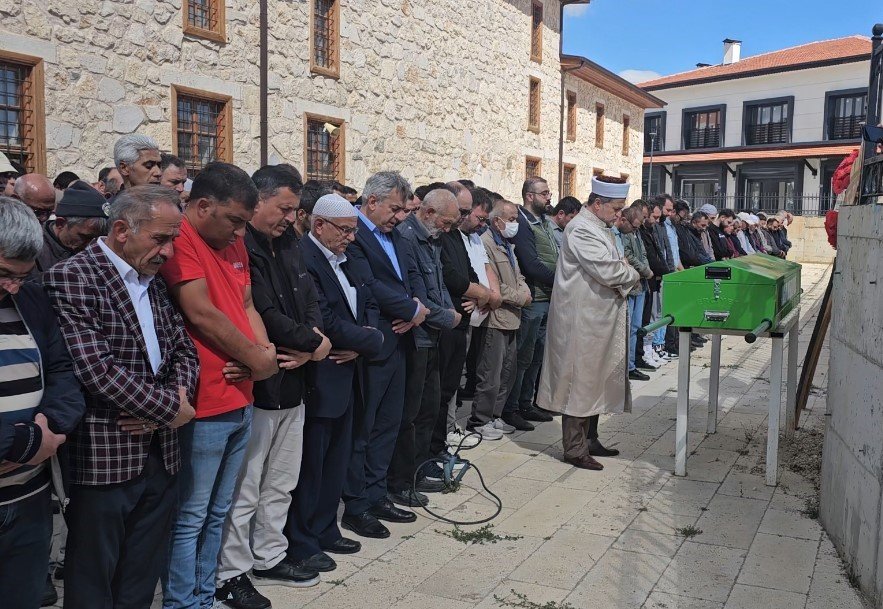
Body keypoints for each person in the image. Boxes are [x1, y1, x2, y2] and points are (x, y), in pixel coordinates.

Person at [44, 186, 198, 609]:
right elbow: (97, 369)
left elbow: (184, 350)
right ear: (120, 230)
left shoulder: (152, 277)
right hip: (105, 452)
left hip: (160, 451)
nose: (169, 251)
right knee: (95, 572)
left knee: (142, 571)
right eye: (160, 238)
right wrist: (170, 409)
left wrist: (170, 409)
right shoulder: (72, 277)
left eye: (174, 239)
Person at [160, 162, 278, 609]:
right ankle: (181, 601)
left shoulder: (233, 241)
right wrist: (257, 361)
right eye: (233, 221)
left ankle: (204, 594)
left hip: (240, 397)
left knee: (218, 511)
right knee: (190, 515)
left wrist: (263, 356)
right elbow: (200, 312)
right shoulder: (182, 240)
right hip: (204, 402)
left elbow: (247, 303)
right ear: (202, 205)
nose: (239, 233)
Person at [214, 165, 331, 608]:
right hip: (261, 385)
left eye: (293, 210)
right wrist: (313, 344)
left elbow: (309, 301)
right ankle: (232, 572)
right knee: (245, 487)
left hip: (295, 379)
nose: (288, 217)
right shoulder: (241, 247)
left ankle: (269, 553)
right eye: (283, 208)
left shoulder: (290, 244)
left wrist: (315, 345)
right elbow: (261, 310)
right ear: (256, 200)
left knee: (280, 481)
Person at [288, 194, 383, 574]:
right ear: (319, 225)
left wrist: (365, 343)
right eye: (344, 230)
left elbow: (370, 301)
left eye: (354, 230)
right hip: (321, 376)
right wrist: (370, 341)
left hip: (349, 370)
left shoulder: (348, 258)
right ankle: (302, 538)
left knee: (336, 460)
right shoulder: (304, 259)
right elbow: (323, 319)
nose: (350, 238)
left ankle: (326, 527)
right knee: (312, 464)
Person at [0, 198, 83, 609]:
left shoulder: (30, 300)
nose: (12, 286)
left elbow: (63, 372)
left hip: (28, 499)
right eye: (3, 275)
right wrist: (22, 444)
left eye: (20, 276)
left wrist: (51, 427)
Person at [341, 171, 429, 539]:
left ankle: (378, 493)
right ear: (371, 201)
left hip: (401, 338)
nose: (399, 216)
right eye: (394, 208)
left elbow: (413, 276)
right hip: (376, 338)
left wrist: (419, 308)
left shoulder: (397, 237)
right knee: (365, 426)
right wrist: (410, 310)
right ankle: (356, 503)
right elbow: (368, 283)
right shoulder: (354, 233)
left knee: (389, 423)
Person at [538, 177, 640, 470]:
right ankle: (574, 448)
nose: (620, 215)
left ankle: (591, 438)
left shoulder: (602, 227)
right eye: (617, 208)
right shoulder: (582, 228)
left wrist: (626, 270)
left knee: (595, 378)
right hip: (581, 319)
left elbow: (618, 264)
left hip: (600, 318)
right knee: (580, 382)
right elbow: (610, 271)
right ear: (598, 204)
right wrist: (632, 275)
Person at [389, 188, 460, 506]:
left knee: (430, 406)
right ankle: (402, 479)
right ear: (429, 213)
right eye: (445, 222)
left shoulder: (432, 238)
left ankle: (419, 469)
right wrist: (449, 317)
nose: (447, 230)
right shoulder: (406, 238)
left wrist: (448, 314)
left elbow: (439, 284)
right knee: (411, 413)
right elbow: (417, 293)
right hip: (417, 338)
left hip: (433, 335)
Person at [433, 184, 496, 458]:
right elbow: (451, 277)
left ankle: (440, 447)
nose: (465, 217)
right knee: (437, 394)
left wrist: (479, 294)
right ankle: (434, 447)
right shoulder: (441, 237)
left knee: (449, 389)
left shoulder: (457, 237)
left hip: (463, 321)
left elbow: (470, 273)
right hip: (446, 322)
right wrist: (483, 293)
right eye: (464, 211)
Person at [467, 200, 531, 439]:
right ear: (497, 221)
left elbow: (517, 275)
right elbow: (494, 284)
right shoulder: (486, 243)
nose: (515, 223)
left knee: (507, 372)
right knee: (490, 373)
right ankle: (479, 419)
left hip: (513, 316)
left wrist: (524, 290)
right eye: (512, 219)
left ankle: (495, 415)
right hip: (496, 317)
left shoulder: (507, 244)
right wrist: (520, 297)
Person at [506, 177, 556, 427]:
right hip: (534, 298)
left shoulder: (543, 222)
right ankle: (512, 407)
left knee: (537, 355)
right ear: (529, 196)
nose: (549, 197)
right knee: (523, 356)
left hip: (547, 297)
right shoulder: (524, 224)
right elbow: (531, 264)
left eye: (549, 192)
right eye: (544, 193)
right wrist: (561, 279)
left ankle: (528, 402)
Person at [29, 181, 109, 279]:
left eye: (97, 238)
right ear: (60, 224)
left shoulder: (98, 250)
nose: (91, 245)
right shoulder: (32, 249)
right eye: (85, 237)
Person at [618, 205, 653, 381]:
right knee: (629, 328)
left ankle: (632, 363)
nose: (637, 228)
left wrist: (646, 269)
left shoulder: (636, 232)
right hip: (631, 286)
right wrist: (643, 270)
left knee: (636, 327)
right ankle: (627, 366)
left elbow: (643, 253)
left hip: (641, 285)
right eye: (635, 225)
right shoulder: (624, 233)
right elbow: (628, 256)